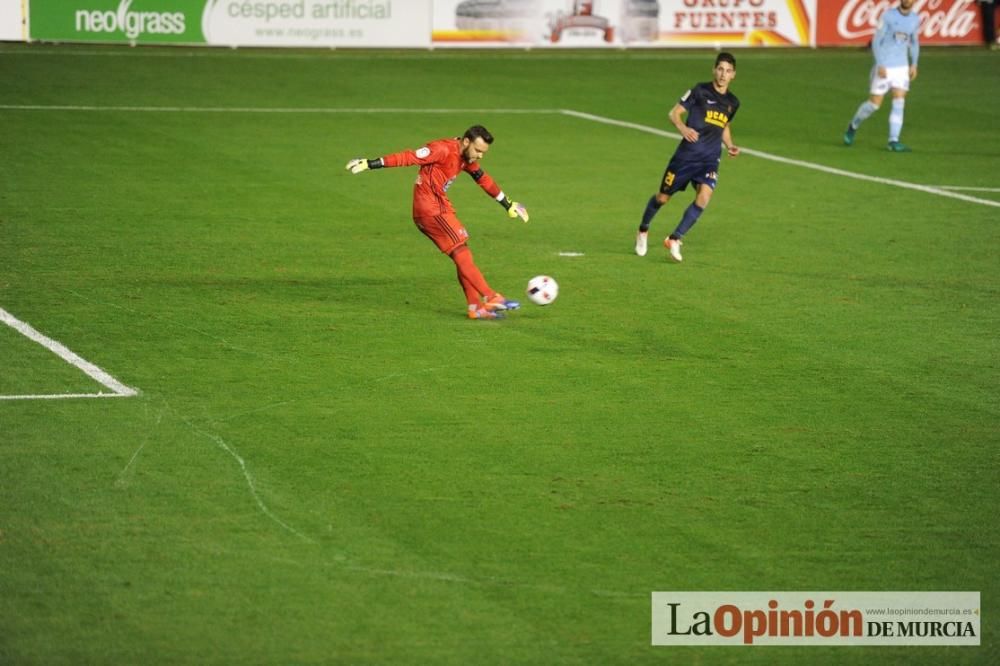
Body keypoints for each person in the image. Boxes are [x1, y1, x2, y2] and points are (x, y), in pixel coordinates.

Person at [346, 125, 529, 320]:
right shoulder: (442, 149)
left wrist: (507, 203)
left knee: (461, 255)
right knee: (462, 253)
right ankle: (491, 297)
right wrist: (371, 163)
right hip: (431, 210)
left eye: (483, 152)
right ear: (466, 142)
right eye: (478, 150)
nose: (480, 156)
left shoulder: (466, 156)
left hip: (438, 209)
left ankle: (476, 308)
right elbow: (409, 157)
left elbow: (482, 178)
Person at [634, 52, 740, 262]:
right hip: (686, 158)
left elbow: (725, 125)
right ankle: (643, 230)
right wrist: (682, 128)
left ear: (733, 75)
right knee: (662, 198)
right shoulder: (700, 91)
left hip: (710, 158)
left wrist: (730, 145)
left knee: (704, 196)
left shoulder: (733, 102)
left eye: (728, 71)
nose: (723, 74)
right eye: (720, 69)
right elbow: (674, 113)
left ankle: (675, 238)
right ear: (714, 70)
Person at [843, 0, 920, 152]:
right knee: (874, 105)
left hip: (902, 67)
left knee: (899, 101)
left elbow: (915, 41)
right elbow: (876, 40)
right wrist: (880, 63)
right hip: (885, 66)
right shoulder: (887, 16)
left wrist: (914, 64)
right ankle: (853, 125)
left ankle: (893, 141)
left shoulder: (915, 19)